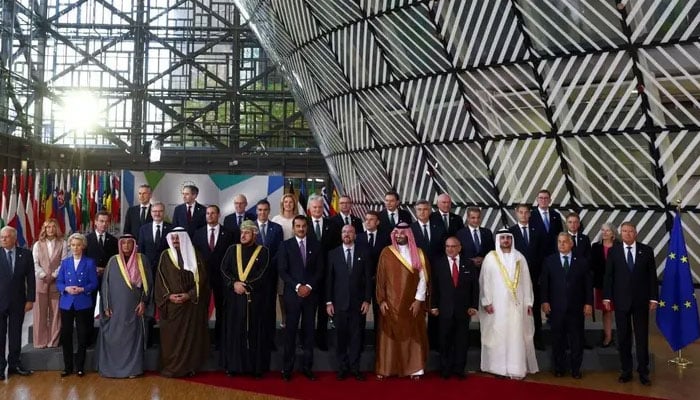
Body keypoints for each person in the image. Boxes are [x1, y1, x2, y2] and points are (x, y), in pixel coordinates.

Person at [603, 222, 658, 386]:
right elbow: (609, 276)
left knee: (641, 338)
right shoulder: (614, 251)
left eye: (630, 231)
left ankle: (643, 371)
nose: (627, 234)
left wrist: (654, 298)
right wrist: (607, 297)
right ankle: (626, 371)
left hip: (641, 301)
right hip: (620, 301)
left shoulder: (647, 251)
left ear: (636, 233)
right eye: (624, 231)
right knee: (624, 337)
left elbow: (652, 277)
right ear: (620, 233)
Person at [479, 228, 538, 379]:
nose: (505, 240)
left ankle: (515, 367)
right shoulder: (490, 258)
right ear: (498, 240)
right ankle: (496, 367)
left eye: (508, 238)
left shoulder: (520, 258)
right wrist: (486, 301)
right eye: (503, 238)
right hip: (496, 306)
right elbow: (485, 281)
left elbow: (527, 282)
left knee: (516, 334)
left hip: (517, 305)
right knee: (498, 334)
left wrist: (529, 303)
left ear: (512, 239)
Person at [375, 222, 430, 380]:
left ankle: (415, 370)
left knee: (414, 335)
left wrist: (418, 300)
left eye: (402, 233)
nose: (399, 235)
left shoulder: (418, 253)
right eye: (396, 232)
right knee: (388, 336)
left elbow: (423, 279)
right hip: (390, 304)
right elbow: (381, 279)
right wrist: (381, 300)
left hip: (411, 304)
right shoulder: (386, 252)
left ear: (408, 234)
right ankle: (387, 368)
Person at [219, 220, 273, 378]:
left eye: (247, 232)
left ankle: (255, 368)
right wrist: (233, 283)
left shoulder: (263, 251)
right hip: (234, 299)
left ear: (255, 234)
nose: (243, 235)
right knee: (235, 332)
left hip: (254, 300)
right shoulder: (232, 249)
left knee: (254, 332)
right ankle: (233, 366)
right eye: (242, 232)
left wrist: (246, 287)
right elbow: (224, 269)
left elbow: (263, 274)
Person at [155, 227, 210, 377]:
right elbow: (160, 280)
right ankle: (171, 367)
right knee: (171, 338)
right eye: (173, 238)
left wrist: (189, 295)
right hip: (172, 306)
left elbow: (202, 280)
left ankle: (188, 367)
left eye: (178, 238)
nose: (175, 241)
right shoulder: (165, 256)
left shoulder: (195, 255)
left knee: (190, 338)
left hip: (190, 305)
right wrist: (168, 296)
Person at [97, 234, 152, 378]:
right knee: (116, 338)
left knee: (133, 340)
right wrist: (106, 306)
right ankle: (112, 369)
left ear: (134, 244)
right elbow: (106, 286)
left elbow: (148, 284)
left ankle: (133, 370)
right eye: (123, 243)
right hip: (116, 310)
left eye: (129, 243)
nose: (126, 246)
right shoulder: (113, 261)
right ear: (120, 245)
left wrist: (143, 302)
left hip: (134, 309)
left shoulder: (142, 260)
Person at [540, 233, 593, 379]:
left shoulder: (582, 262)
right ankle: (559, 368)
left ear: (571, 244)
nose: (562, 244)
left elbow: (588, 285)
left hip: (576, 308)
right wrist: (544, 301)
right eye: (559, 242)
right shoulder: (549, 261)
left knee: (576, 340)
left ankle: (576, 369)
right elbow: (544, 284)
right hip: (556, 309)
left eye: (564, 242)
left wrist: (589, 303)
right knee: (558, 340)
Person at [278, 215, 324, 381]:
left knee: (309, 332)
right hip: (292, 295)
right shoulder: (285, 246)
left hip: (311, 296)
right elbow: (283, 270)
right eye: (298, 226)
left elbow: (320, 270)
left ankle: (307, 367)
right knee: (290, 332)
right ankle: (287, 368)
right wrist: (298, 287)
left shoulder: (316, 245)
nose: (301, 229)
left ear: (307, 227)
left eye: (304, 226)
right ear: (293, 227)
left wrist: (309, 287)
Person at [325, 225, 372, 381]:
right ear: (341, 234)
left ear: (355, 235)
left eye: (350, 232)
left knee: (356, 337)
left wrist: (367, 300)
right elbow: (329, 280)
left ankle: (355, 368)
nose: (347, 234)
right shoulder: (333, 254)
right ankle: (342, 368)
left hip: (358, 304)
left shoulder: (364, 253)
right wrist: (329, 302)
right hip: (339, 304)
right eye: (344, 232)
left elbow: (368, 279)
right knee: (340, 337)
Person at [429, 237, 478, 380]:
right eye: (447, 246)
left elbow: (475, 287)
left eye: (453, 246)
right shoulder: (438, 264)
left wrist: (473, 306)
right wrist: (433, 306)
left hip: (463, 310)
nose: (450, 249)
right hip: (444, 310)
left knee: (461, 341)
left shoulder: (469, 264)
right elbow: (434, 287)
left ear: (459, 248)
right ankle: (445, 369)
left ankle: (459, 369)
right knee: (444, 341)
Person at [192, 205, 237, 349]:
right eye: (207, 213)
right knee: (201, 310)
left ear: (218, 215)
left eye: (213, 213)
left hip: (223, 279)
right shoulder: (198, 233)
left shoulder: (228, 233)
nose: (210, 216)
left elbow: (232, 258)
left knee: (222, 310)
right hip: (203, 279)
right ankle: (202, 341)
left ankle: (220, 340)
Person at [56, 233, 98, 377]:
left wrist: (82, 289)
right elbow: (59, 282)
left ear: (83, 246)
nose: (75, 248)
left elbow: (94, 283)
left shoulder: (90, 262)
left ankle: (80, 366)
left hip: (83, 302)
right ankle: (68, 367)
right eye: (73, 245)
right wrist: (65, 289)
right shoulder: (65, 262)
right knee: (66, 335)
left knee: (82, 335)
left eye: (78, 245)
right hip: (67, 302)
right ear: (70, 246)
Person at [0, 226, 36, 380]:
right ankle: (0, 367)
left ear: (14, 238)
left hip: (18, 302)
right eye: (1, 237)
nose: (3, 240)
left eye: (6, 237)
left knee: (15, 334)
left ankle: (15, 364)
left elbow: (31, 279)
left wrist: (30, 299)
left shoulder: (26, 254)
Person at [307, 194, 341, 351]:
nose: (317, 210)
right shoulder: (303, 225)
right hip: (308, 275)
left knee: (323, 310)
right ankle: (306, 340)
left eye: (320, 207)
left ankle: (321, 340)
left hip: (327, 275)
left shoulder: (332, 225)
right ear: (309, 209)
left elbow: (336, 250)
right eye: (314, 207)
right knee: (308, 310)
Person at [509, 204, 546, 350]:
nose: (524, 215)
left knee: (534, 308)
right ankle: (518, 340)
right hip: (516, 279)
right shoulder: (510, 232)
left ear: (530, 214)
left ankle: (537, 339)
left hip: (535, 277)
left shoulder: (538, 231)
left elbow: (543, 254)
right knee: (517, 309)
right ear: (516, 214)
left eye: (526, 213)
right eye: (521, 213)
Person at [410, 199, 444, 349]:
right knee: (417, 305)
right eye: (419, 210)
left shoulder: (439, 227)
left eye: (425, 209)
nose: (422, 212)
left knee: (435, 305)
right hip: (416, 274)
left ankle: (434, 342)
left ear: (430, 210)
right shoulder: (410, 229)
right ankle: (417, 342)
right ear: (415, 212)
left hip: (436, 272)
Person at [32, 219, 67, 348]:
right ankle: (40, 341)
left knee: (56, 313)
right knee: (40, 313)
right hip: (41, 282)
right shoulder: (37, 244)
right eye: (47, 227)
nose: (50, 230)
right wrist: (42, 275)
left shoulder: (63, 243)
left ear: (56, 228)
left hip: (56, 282)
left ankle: (53, 341)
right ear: (44, 229)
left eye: (53, 227)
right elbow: (35, 263)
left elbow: (63, 262)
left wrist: (53, 275)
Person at [356, 210, 390, 335]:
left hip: (379, 281)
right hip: (362, 282)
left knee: (379, 313)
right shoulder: (358, 238)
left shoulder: (386, 238)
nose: (368, 222)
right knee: (360, 313)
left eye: (371, 219)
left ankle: (379, 345)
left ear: (378, 222)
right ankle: (359, 344)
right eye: (366, 219)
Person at [271, 193, 298, 327]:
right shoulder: (276, 219)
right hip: (282, 258)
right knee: (281, 291)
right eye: (285, 202)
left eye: (290, 202)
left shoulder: (298, 219)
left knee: (294, 289)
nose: (288, 204)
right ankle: (284, 318)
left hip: (296, 259)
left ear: (294, 204)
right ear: (282, 204)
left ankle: (294, 318)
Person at [86, 211, 119, 315]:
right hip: (90, 278)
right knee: (89, 308)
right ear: (95, 222)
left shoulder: (114, 241)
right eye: (101, 221)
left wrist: (106, 269)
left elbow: (116, 260)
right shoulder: (86, 239)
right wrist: (93, 269)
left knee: (107, 307)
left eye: (106, 221)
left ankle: (106, 331)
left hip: (107, 277)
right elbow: (83, 260)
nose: (104, 224)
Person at [591, 222, 618, 347]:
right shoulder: (595, 247)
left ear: (613, 233)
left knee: (620, 310)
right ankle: (608, 336)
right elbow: (594, 267)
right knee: (606, 311)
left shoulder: (619, 246)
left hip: (618, 284)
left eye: (607, 230)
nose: (605, 232)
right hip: (602, 284)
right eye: (603, 230)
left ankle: (621, 336)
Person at [137, 202, 173, 273]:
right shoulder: (144, 229)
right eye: (155, 211)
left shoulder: (171, 228)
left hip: (165, 267)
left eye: (160, 211)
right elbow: (141, 249)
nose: (157, 214)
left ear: (164, 212)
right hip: (147, 267)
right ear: (151, 212)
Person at [529, 189, 563, 256]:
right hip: (537, 254)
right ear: (537, 200)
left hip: (553, 254)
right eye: (541, 198)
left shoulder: (556, 215)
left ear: (550, 200)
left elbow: (559, 234)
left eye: (546, 198)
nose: (543, 200)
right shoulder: (530, 216)